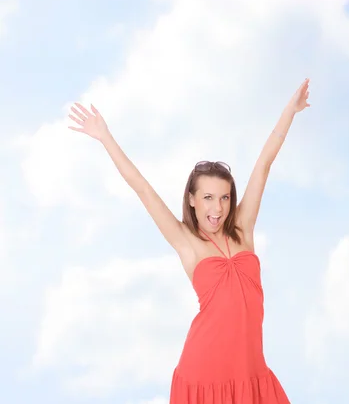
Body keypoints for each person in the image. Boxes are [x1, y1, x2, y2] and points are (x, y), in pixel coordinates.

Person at [67, 78, 311, 404]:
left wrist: (290, 112)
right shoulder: (186, 242)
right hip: (204, 374)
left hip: (251, 372)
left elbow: (263, 165)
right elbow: (141, 187)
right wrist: (105, 137)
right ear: (193, 200)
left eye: (224, 198)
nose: (217, 208)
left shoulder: (243, 229)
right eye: (208, 197)